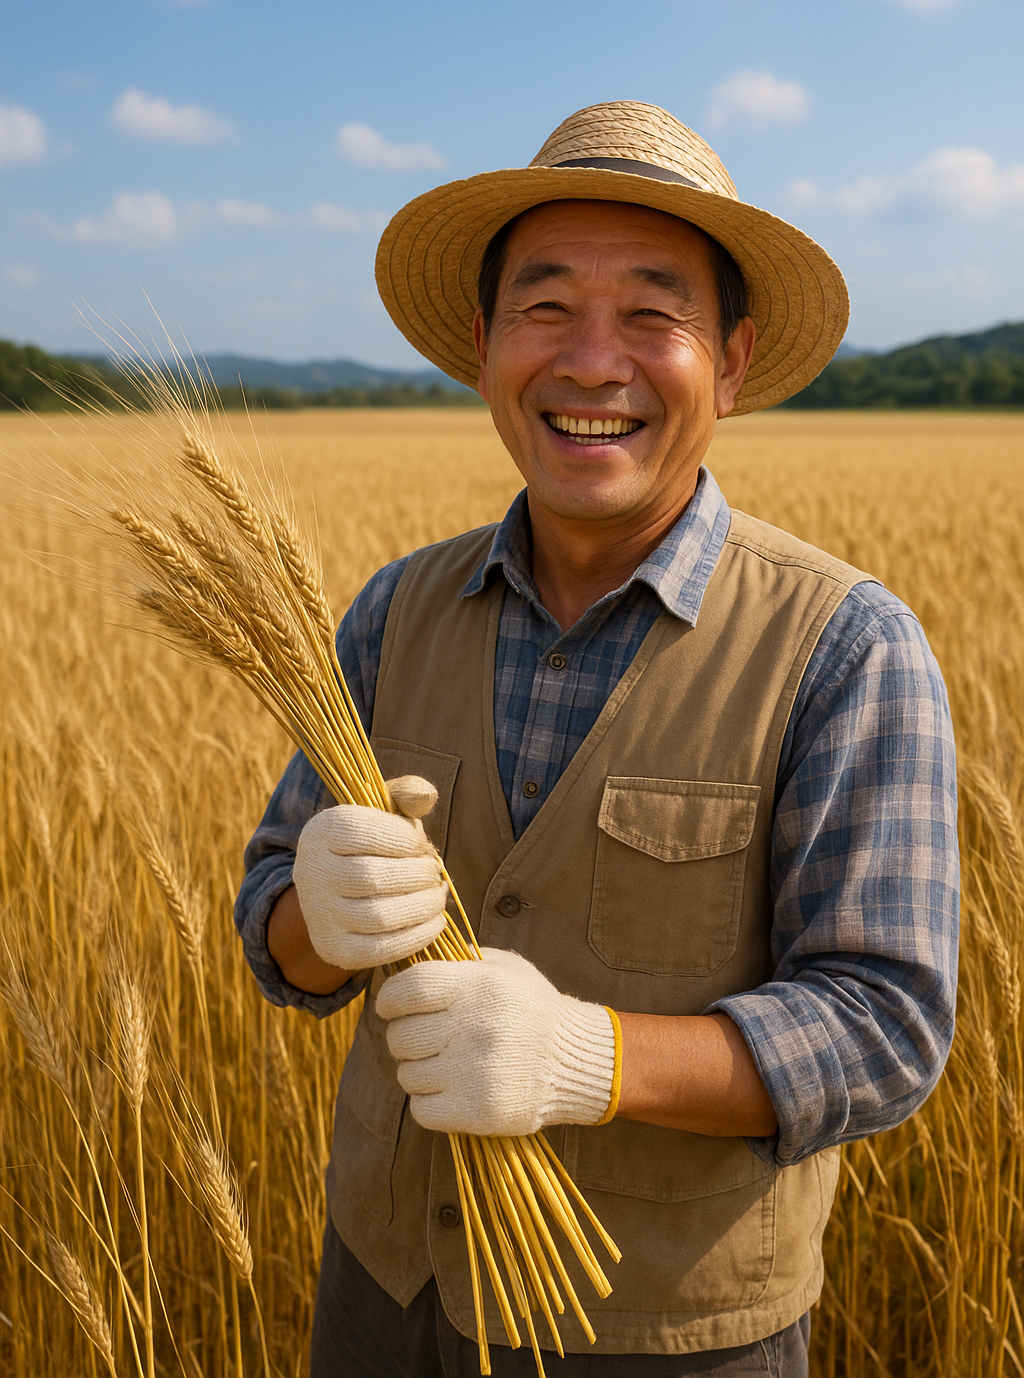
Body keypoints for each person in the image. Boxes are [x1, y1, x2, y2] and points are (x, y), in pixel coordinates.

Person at [235, 101, 959, 1376]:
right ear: (483, 345)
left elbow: (884, 1025)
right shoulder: (390, 611)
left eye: (652, 315)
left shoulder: (846, 646)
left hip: (665, 1336)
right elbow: (275, 930)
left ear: (729, 363)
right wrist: (314, 913)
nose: (590, 362)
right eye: (548, 305)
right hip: (379, 1295)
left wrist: (592, 1058)